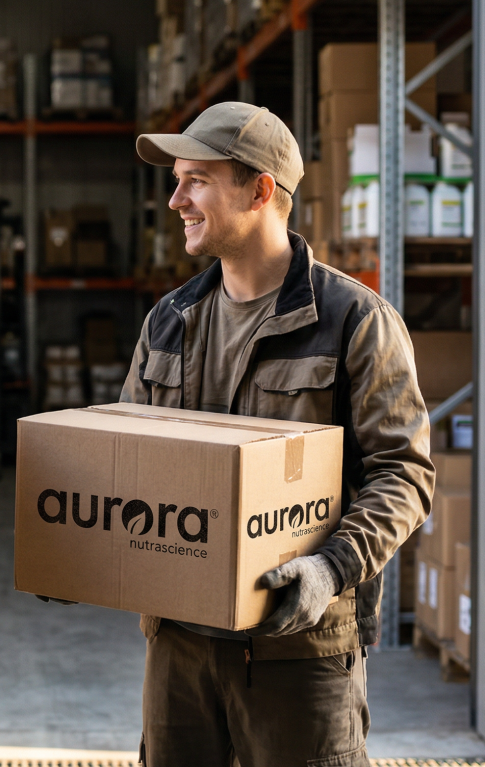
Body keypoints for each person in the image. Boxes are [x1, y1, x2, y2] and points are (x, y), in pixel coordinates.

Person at [124, 102, 433, 766]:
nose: (176, 199)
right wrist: (85, 548)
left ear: (261, 189)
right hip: (180, 650)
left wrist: (332, 566)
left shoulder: (354, 320)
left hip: (299, 650)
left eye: (196, 179)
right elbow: (126, 462)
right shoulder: (168, 322)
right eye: (177, 180)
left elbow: (404, 474)